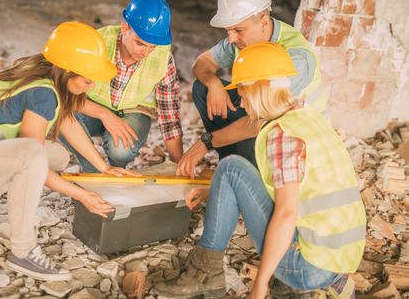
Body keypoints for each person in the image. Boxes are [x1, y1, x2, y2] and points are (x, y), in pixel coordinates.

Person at [0, 22, 138, 281]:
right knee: (33, 155)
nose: (91, 87)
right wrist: (82, 195)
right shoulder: (43, 94)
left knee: (57, 156)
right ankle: (23, 252)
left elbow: (67, 120)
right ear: (68, 71)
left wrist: (103, 168)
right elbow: (31, 157)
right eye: (88, 80)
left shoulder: (46, 70)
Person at [156, 42, 366, 299]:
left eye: (242, 94)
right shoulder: (308, 118)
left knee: (231, 167)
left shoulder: (283, 135)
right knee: (232, 172)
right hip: (339, 261)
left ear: (258, 90)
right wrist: (214, 190)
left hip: (308, 268)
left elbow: (287, 214)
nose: (241, 103)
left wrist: (260, 284)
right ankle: (311, 286)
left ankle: (206, 274)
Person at [177, 0, 327, 177]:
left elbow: (263, 121)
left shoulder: (296, 58)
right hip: (259, 115)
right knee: (202, 88)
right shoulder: (242, 40)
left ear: (264, 22)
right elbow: (202, 64)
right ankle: (230, 163)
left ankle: (244, 173)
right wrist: (213, 84)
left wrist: (205, 142)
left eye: (238, 30)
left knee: (253, 142)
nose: (231, 38)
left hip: (295, 139)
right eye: (228, 30)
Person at [60, 0, 183, 172]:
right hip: (89, 107)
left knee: (120, 150)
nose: (146, 53)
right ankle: (91, 168)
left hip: (134, 110)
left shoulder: (164, 59)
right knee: (61, 114)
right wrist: (104, 114)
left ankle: (118, 168)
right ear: (125, 28)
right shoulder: (97, 44)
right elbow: (62, 93)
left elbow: (169, 114)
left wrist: (178, 163)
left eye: (153, 47)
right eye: (140, 44)